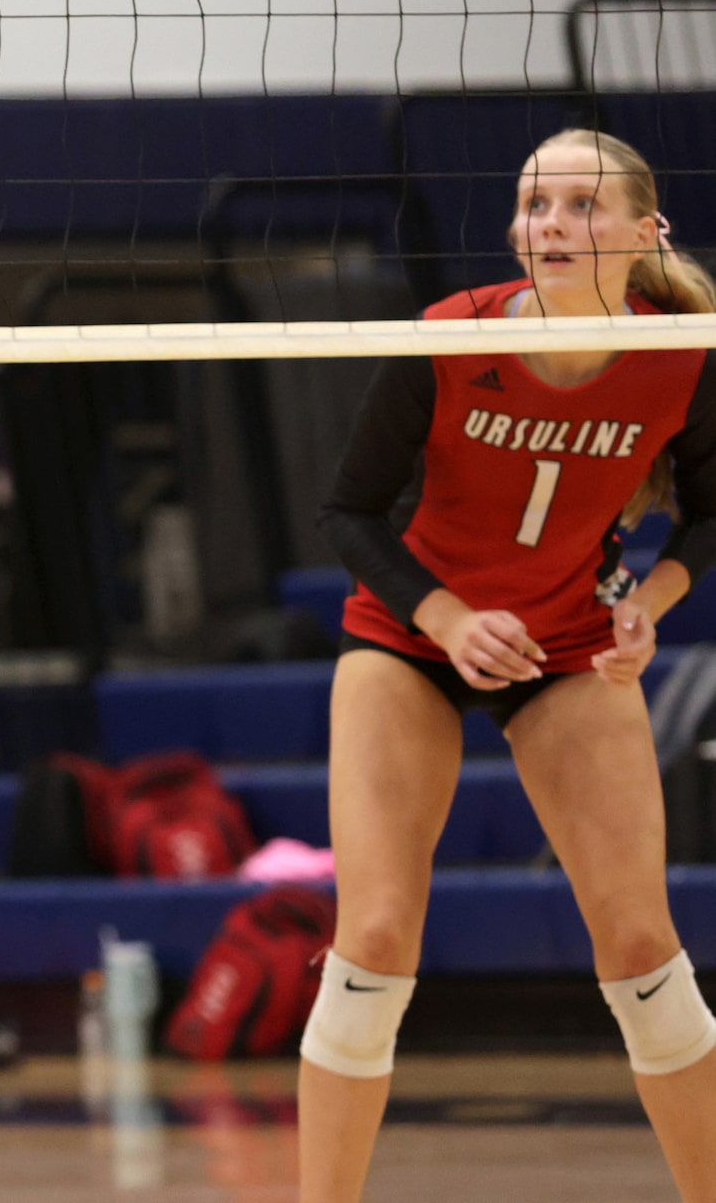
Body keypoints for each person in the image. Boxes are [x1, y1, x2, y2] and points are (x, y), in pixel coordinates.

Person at [303, 129, 716, 1203]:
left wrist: (651, 601)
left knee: (639, 948)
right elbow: (346, 511)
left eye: (581, 206)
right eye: (534, 204)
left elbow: (711, 509)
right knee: (376, 939)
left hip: (571, 643)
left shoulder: (683, 350)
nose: (550, 226)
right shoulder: (449, 336)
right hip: (410, 637)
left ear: (639, 231)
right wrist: (443, 619)